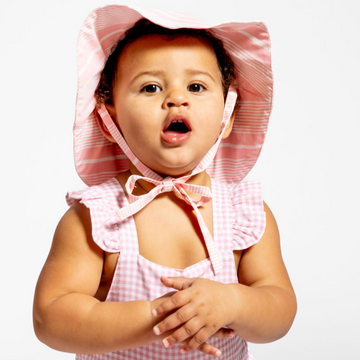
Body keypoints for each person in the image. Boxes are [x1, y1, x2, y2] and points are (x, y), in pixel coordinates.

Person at [33, 4, 297, 360]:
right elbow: (50, 318)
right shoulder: (97, 218)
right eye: (151, 87)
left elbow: (280, 313)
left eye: (197, 85)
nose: (176, 98)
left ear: (228, 115)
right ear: (108, 119)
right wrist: (159, 315)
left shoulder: (242, 214)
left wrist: (233, 302)